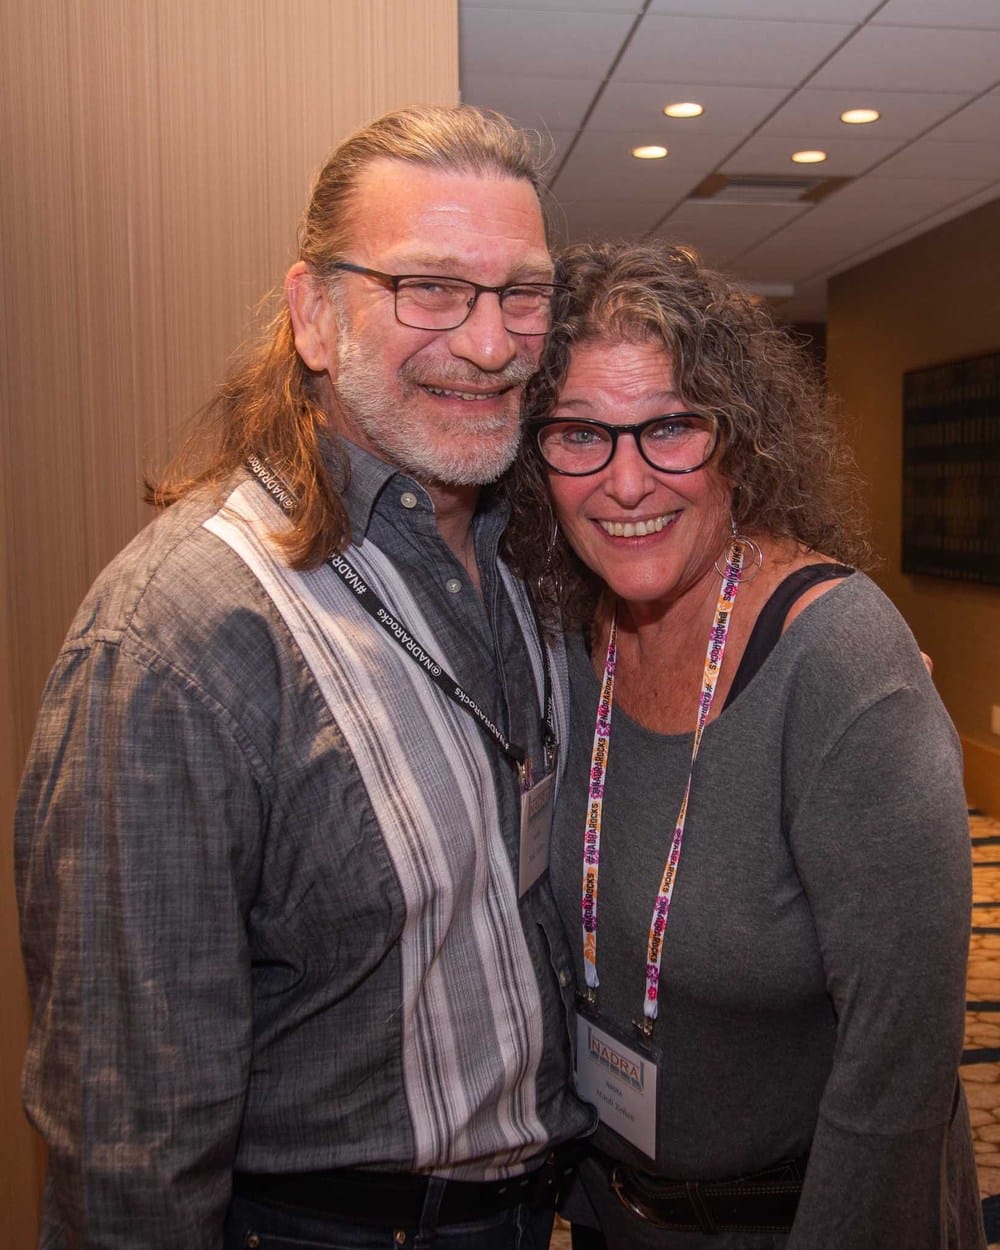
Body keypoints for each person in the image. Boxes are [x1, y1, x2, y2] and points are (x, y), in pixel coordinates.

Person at [15, 104, 595, 1250]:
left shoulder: (525, 559)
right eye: (430, 287)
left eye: (522, 294)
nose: (491, 343)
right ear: (315, 316)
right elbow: (132, 1143)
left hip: (530, 1212)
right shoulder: (181, 634)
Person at [501, 239, 986, 1249]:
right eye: (580, 433)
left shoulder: (839, 660)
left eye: (671, 427)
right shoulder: (565, 635)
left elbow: (896, 1075)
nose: (625, 482)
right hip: (615, 1211)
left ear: (740, 440)